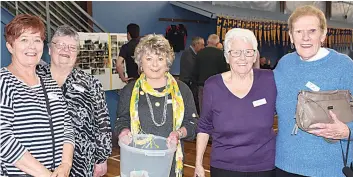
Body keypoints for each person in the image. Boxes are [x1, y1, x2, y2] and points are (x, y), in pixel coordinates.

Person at [274, 5, 353, 177]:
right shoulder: (284, 64)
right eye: (299, 31)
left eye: (312, 31)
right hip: (284, 166)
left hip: (330, 170)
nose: (305, 38)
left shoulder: (344, 66)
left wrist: (348, 131)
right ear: (290, 36)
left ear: (323, 34)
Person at [194, 28, 277, 177]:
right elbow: (204, 126)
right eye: (236, 52)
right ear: (227, 57)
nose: (242, 58)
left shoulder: (270, 80)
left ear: (255, 56)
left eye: (248, 52)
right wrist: (198, 164)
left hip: (263, 167)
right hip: (224, 167)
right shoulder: (213, 85)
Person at [0, 14, 74, 176]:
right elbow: (3, 139)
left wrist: (65, 164)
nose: (32, 46)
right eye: (24, 40)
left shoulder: (49, 83)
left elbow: (67, 126)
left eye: (37, 40)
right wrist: (46, 174)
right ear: (10, 46)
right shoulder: (3, 82)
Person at [116, 34, 198, 177]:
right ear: (140, 63)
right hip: (138, 163)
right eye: (149, 59)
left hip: (170, 164)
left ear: (167, 63)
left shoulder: (182, 90)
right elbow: (121, 121)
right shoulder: (129, 90)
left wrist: (178, 133)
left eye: (160, 59)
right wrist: (123, 132)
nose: (155, 64)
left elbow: (193, 123)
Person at [36, 25, 112, 177]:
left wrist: (102, 158)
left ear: (77, 54)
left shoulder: (91, 83)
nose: (66, 50)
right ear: (50, 49)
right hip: (40, 160)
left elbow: (102, 121)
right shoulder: (34, 78)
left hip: (81, 162)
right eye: (61, 45)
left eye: (72, 47)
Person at [192, 34, 229, 112]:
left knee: (203, 109)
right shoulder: (220, 54)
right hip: (216, 86)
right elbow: (224, 71)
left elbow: (195, 71)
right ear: (217, 43)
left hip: (202, 85)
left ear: (207, 42)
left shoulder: (200, 53)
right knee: (215, 109)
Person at [179, 36, 205, 113]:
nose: (203, 47)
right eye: (202, 45)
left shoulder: (192, 54)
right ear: (196, 44)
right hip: (188, 82)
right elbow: (192, 69)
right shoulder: (188, 54)